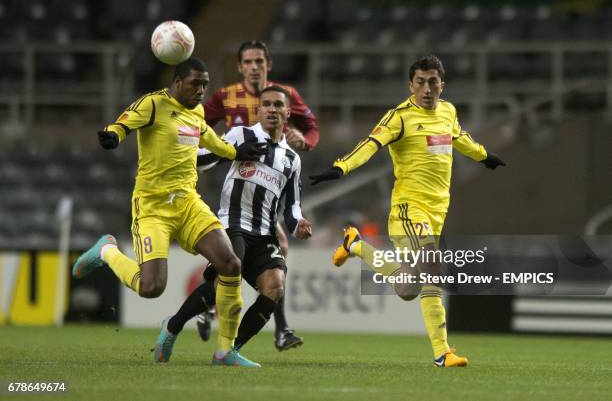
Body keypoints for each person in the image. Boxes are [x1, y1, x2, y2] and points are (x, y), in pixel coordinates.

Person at [309, 55, 506, 367]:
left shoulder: (448, 111)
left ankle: (356, 245)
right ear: (411, 84)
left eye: (433, 82)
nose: (427, 88)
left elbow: (459, 137)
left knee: (408, 288)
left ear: (442, 84)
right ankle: (443, 353)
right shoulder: (399, 117)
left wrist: (483, 156)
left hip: (437, 211)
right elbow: (371, 144)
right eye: (420, 82)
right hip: (407, 209)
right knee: (433, 267)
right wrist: (341, 167)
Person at [71, 58, 267, 367]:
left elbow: (210, 139)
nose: (201, 90)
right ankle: (107, 251)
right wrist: (114, 134)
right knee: (152, 288)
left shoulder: (198, 112)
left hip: (188, 203)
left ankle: (224, 351)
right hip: (153, 207)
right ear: (177, 83)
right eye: (195, 84)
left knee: (230, 264)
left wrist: (235, 153)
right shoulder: (153, 103)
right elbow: (125, 122)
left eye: (204, 84)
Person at [154, 85, 312, 366]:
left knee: (275, 287)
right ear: (259, 109)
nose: (272, 109)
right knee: (224, 283)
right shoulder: (241, 135)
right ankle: (172, 327)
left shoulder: (292, 159)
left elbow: (292, 206)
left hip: (265, 233)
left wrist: (298, 223)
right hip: (233, 224)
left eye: (278, 105)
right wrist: (233, 152)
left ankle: (228, 350)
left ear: (288, 112)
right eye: (267, 104)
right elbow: (199, 161)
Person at [197, 40, 319, 350]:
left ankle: (274, 328)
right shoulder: (226, 97)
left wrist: (303, 140)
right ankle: (215, 305)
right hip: (234, 181)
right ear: (240, 67)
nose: (254, 67)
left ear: (268, 65)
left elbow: (312, 128)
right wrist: (202, 150)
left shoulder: (284, 95)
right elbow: (197, 123)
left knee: (277, 249)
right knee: (248, 254)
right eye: (248, 62)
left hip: (269, 183)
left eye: (259, 62)